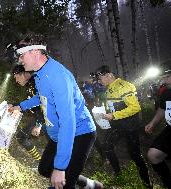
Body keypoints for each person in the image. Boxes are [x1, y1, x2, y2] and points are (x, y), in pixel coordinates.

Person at [8, 34, 99, 189]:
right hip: (59, 134)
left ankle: (69, 176)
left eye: (22, 55)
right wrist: (20, 106)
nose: (20, 60)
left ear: (35, 51)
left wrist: (60, 167)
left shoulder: (58, 77)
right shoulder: (39, 72)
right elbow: (42, 97)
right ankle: (88, 184)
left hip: (79, 132)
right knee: (44, 169)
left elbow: (68, 123)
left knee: (60, 184)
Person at [93, 65, 151, 188]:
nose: (99, 82)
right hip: (117, 126)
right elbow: (114, 107)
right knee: (107, 146)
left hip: (130, 126)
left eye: (100, 78)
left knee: (135, 154)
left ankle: (147, 183)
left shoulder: (124, 86)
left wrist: (113, 115)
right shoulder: (109, 89)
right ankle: (118, 174)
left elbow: (135, 107)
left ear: (108, 75)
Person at [145, 60, 171, 189]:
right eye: (162, 77)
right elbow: (162, 109)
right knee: (153, 155)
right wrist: (152, 123)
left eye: (167, 77)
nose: (163, 81)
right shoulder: (167, 92)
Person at [11, 64, 43, 161]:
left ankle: (48, 166)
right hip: (40, 116)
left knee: (55, 144)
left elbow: (44, 103)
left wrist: (39, 124)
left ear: (22, 74)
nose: (16, 81)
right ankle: (40, 161)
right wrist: (14, 106)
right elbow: (30, 103)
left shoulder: (37, 82)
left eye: (17, 78)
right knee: (21, 136)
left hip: (47, 118)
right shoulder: (30, 84)